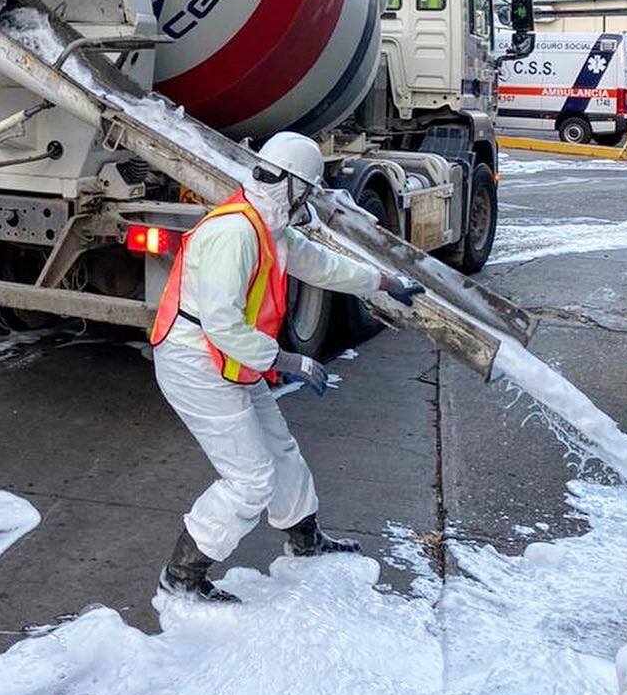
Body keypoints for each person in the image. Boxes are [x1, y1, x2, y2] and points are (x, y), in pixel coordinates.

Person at [150, 131, 425, 603]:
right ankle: (182, 576)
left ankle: (305, 540)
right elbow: (220, 324)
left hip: (229, 357)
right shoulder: (233, 234)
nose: (309, 202)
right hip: (194, 360)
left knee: (280, 449)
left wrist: (381, 281)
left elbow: (319, 264)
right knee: (251, 478)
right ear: (293, 186)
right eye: (309, 192)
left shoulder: (266, 226)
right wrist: (285, 359)